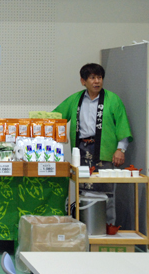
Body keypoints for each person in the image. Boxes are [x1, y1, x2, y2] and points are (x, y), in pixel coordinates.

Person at [53, 63, 133, 224]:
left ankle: (108, 227)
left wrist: (121, 149)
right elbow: (55, 118)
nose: (97, 81)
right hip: (81, 150)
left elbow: (122, 126)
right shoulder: (75, 99)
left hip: (104, 151)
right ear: (83, 81)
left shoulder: (113, 100)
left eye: (99, 77)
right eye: (92, 78)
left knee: (106, 190)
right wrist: (59, 134)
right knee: (81, 189)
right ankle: (82, 227)